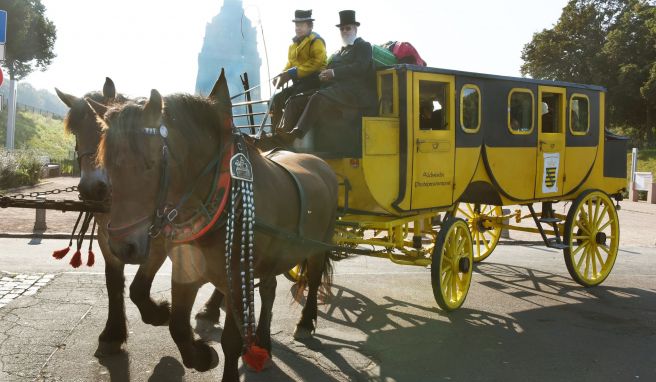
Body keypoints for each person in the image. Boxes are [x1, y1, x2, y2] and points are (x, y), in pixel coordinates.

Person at [278, 10, 377, 140]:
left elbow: (360, 68)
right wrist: (322, 75)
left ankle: (298, 133)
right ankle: (279, 135)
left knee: (318, 97)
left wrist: (334, 73)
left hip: (353, 94)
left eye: (348, 28)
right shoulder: (338, 53)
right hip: (335, 91)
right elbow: (327, 69)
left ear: (355, 29)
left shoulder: (363, 46)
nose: (345, 31)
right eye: (342, 29)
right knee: (294, 100)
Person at [269, 10, 327, 130]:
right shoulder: (293, 45)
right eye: (296, 25)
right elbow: (290, 64)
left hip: (314, 82)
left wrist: (292, 73)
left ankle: (285, 132)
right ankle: (275, 131)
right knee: (275, 100)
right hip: (299, 83)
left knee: (293, 99)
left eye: (301, 25)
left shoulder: (316, 41)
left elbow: (317, 63)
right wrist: (280, 77)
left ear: (310, 26)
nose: (298, 28)